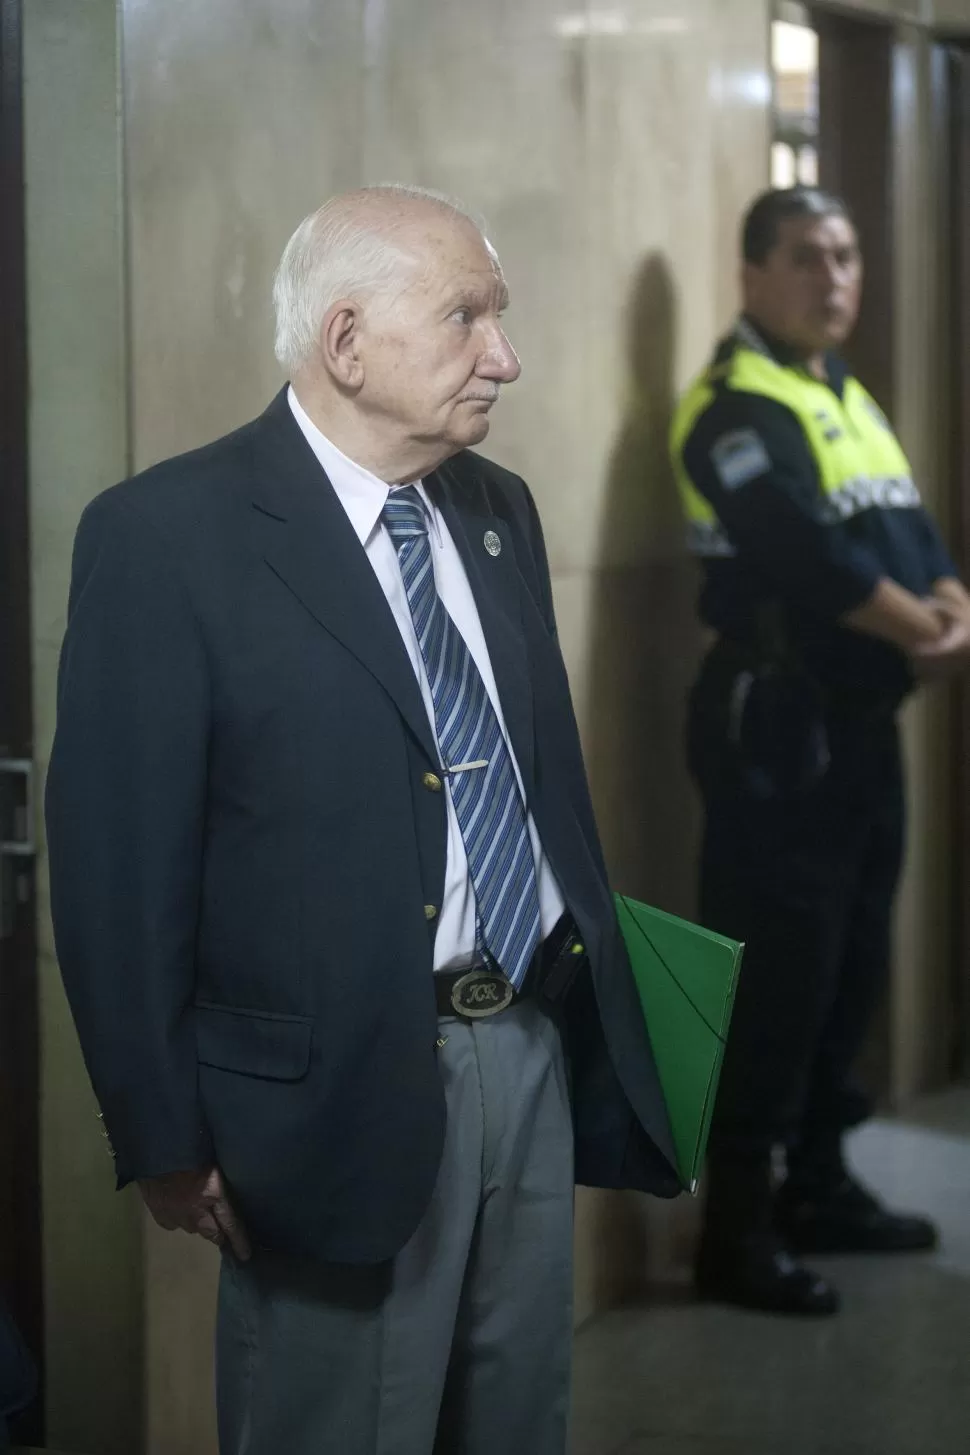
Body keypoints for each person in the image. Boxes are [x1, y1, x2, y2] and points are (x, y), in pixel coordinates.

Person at [46, 185, 679, 1454]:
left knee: (515, 1421)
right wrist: (163, 1130)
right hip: (326, 1097)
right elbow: (118, 868)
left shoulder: (497, 514)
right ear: (345, 341)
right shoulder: (169, 537)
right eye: (466, 319)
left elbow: (541, 790)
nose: (504, 355)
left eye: (497, 317)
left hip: (526, 1059)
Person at [670, 185, 970, 1317]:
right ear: (750, 275)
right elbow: (803, 557)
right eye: (805, 257)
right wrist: (926, 630)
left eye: (845, 255)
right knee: (779, 972)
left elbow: (904, 528)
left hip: (854, 725)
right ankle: (735, 1229)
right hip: (775, 722)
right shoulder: (735, 406)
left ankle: (821, 1185)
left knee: (848, 964)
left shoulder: (838, 391)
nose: (833, 277)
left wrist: (949, 602)